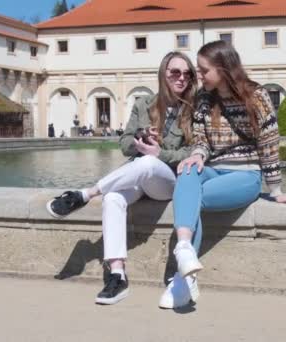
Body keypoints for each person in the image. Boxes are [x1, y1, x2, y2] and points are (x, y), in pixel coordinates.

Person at [163, 40, 286, 308]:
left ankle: (181, 279)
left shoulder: (257, 96)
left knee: (190, 197)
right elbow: (200, 139)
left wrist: (275, 190)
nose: (200, 75)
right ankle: (184, 251)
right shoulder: (204, 98)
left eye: (204, 70)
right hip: (211, 167)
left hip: (245, 175)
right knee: (186, 172)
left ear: (223, 69)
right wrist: (197, 155)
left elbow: (269, 142)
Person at [46, 51, 197, 306]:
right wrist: (140, 137)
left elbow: (195, 151)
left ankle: (85, 194)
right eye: (175, 72)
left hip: (168, 180)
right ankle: (117, 275)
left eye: (187, 74)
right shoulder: (144, 104)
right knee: (114, 197)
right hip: (139, 175)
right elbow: (125, 144)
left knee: (149, 162)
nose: (181, 78)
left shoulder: (193, 109)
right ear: (163, 74)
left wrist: (162, 153)